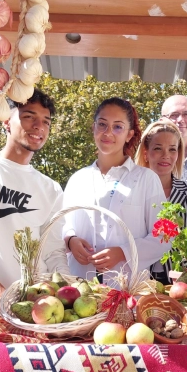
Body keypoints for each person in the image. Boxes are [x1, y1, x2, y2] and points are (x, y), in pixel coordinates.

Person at [0, 88, 69, 301]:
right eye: (29, 117)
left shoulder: (51, 189)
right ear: (7, 121)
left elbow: (53, 252)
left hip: (40, 304)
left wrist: (68, 292)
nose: (39, 126)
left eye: (46, 122)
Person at [63, 97, 170, 284]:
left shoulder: (146, 179)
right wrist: (70, 240)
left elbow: (162, 237)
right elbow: (63, 224)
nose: (108, 132)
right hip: (80, 287)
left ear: (129, 134)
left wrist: (123, 252)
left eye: (118, 127)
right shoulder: (77, 179)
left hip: (128, 287)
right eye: (102, 124)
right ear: (93, 127)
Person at [134, 119, 187, 283]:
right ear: (145, 153)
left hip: (181, 280)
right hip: (139, 280)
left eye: (172, 149)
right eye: (158, 148)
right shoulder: (132, 193)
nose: (166, 156)